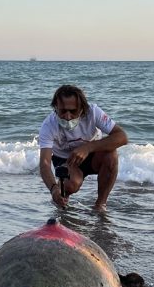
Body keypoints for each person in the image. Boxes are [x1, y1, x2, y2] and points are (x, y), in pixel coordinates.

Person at [38, 84, 128, 212]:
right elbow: (45, 163)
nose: (68, 116)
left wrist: (88, 148)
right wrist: (53, 189)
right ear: (55, 107)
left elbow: (122, 136)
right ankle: (62, 200)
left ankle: (100, 205)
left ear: (82, 109)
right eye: (63, 111)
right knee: (72, 184)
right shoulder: (48, 125)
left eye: (73, 111)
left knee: (111, 155)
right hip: (66, 161)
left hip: (93, 155)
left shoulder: (93, 112)